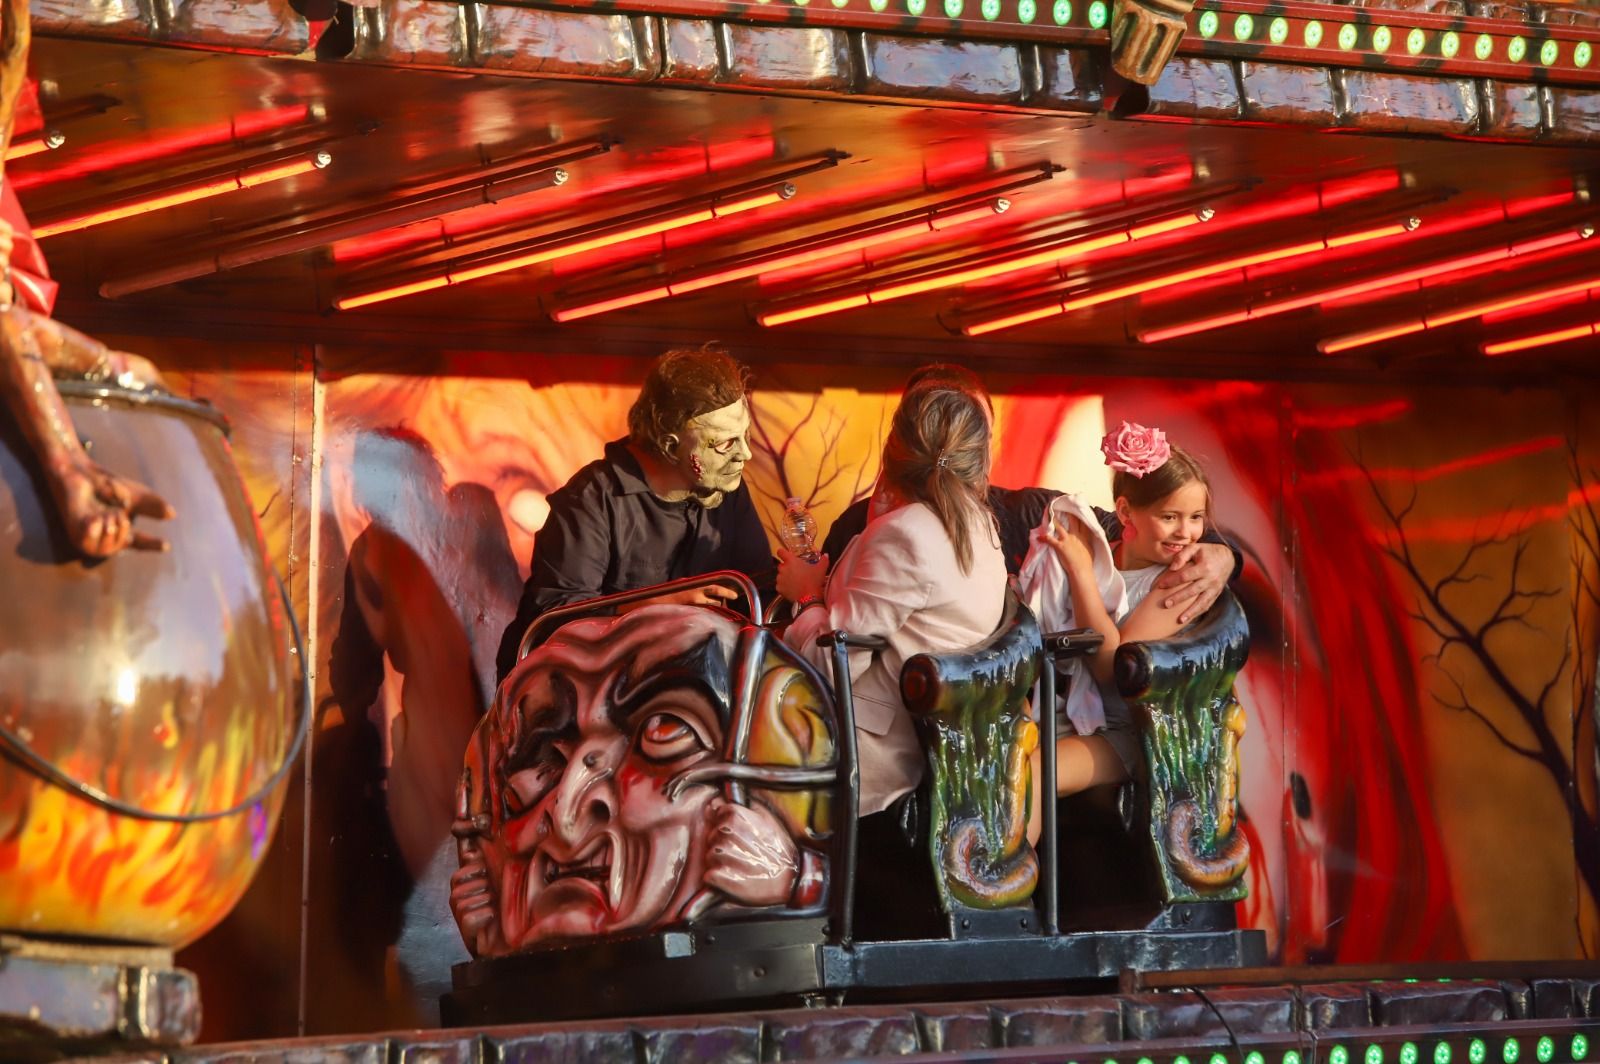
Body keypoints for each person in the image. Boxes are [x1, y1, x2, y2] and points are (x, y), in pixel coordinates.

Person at [820, 364, 1238, 624]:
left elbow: (1143, 527)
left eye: (969, 428)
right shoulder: (860, 525)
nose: (952, 441)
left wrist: (1222, 554)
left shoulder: (1032, 512)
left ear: (987, 443)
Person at [495, 345, 772, 682]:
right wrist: (658, 606)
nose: (745, 453)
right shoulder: (591, 499)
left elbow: (757, 592)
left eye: (745, 436)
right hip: (575, 694)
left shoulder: (728, 489)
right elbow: (551, 620)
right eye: (725, 443)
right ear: (671, 446)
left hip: (680, 688)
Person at [1025, 420, 1217, 795]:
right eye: (1170, 517)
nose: (1187, 533)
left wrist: (1080, 571)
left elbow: (1109, 667)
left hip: (1127, 731)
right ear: (1126, 513)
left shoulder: (1176, 583)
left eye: (1195, 518)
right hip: (1070, 714)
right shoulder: (1105, 556)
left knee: (1029, 779)